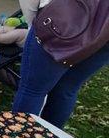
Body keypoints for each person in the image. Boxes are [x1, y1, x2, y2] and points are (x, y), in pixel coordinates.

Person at [11, 0, 109, 129]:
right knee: (66, 89)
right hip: (103, 32)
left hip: (65, 21)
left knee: (33, 90)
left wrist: (34, 25)